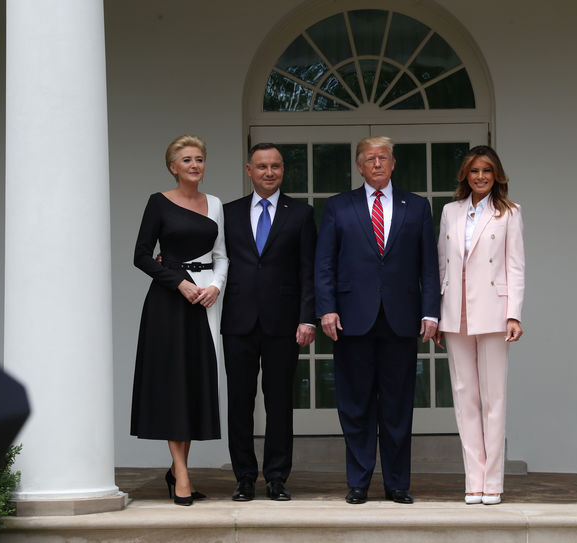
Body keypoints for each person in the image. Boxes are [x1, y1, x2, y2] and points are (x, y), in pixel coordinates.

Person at [315, 136, 440, 505]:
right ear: (359, 165)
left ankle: (398, 483)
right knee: (356, 405)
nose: (377, 164)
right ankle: (359, 482)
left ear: (393, 163)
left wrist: (430, 310)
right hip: (352, 320)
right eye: (370, 159)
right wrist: (327, 308)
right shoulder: (339, 206)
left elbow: (429, 268)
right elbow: (325, 264)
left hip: (402, 320)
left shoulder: (417, 207)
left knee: (398, 406)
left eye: (383, 158)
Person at [131, 135, 228, 506]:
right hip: (168, 303)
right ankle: (182, 473)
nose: (194, 165)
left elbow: (222, 256)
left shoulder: (215, 205)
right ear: (173, 167)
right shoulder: (158, 203)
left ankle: (176, 471)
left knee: (191, 384)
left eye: (199, 159)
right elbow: (141, 255)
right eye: (186, 159)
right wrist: (179, 284)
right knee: (172, 385)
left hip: (205, 302)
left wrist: (215, 287)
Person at [221, 143, 316, 502]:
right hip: (238, 321)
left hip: (284, 323)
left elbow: (308, 270)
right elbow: (216, 260)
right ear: (249, 170)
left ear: (282, 170)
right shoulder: (227, 213)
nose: (269, 172)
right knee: (239, 402)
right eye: (262, 166)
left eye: (275, 166)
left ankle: (276, 476)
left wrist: (308, 318)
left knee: (279, 403)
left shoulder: (301, 214)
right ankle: (244, 477)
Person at [433, 145, 525, 505]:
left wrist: (513, 313)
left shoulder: (510, 213)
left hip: (494, 310)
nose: (481, 177)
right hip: (455, 313)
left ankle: (493, 482)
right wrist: (438, 316)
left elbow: (515, 266)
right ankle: (473, 479)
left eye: (487, 171)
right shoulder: (450, 212)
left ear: (496, 174)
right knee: (464, 397)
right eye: (474, 171)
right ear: (465, 176)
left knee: (493, 398)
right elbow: (442, 265)